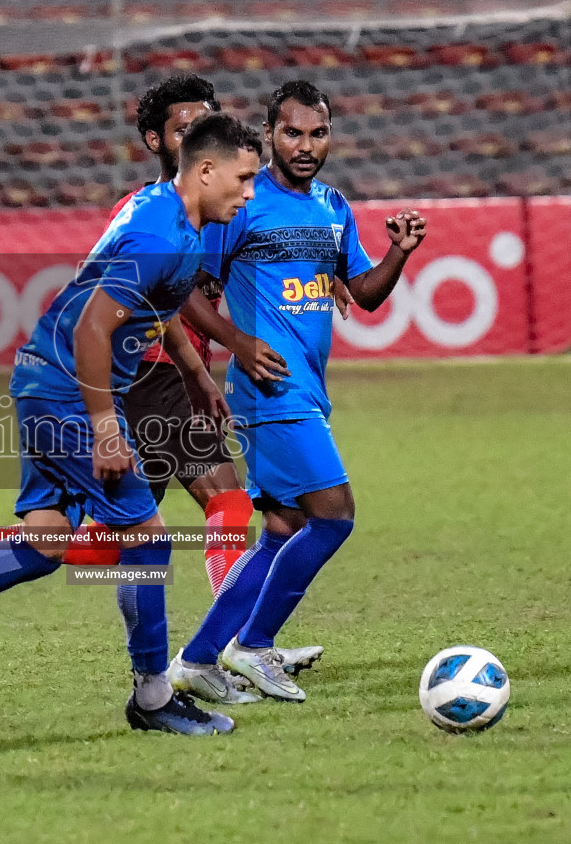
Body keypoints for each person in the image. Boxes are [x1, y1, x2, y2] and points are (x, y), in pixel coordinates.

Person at [0, 76, 322, 705]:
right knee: (178, 524)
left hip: (103, 377)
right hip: (110, 380)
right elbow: (106, 313)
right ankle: (204, 664)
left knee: (62, 540)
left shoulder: (184, 218)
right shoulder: (154, 222)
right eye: (182, 128)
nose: (249, 191)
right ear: (175, 150)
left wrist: (200, 372)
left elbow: (159, 299)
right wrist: (112, 418)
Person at [174, 81, 427, 702]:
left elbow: (363, 293)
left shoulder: (332, 208)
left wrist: (397, 253)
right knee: (334, 516)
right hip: (268, 389)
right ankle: (254, 647)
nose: (306, 145)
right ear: (269, 135)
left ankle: (199, 659)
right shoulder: (245, 202)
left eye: (318, 133)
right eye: (293, 133)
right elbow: (182, 286)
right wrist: (234, 342)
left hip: (307, 388)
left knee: (284, 529)